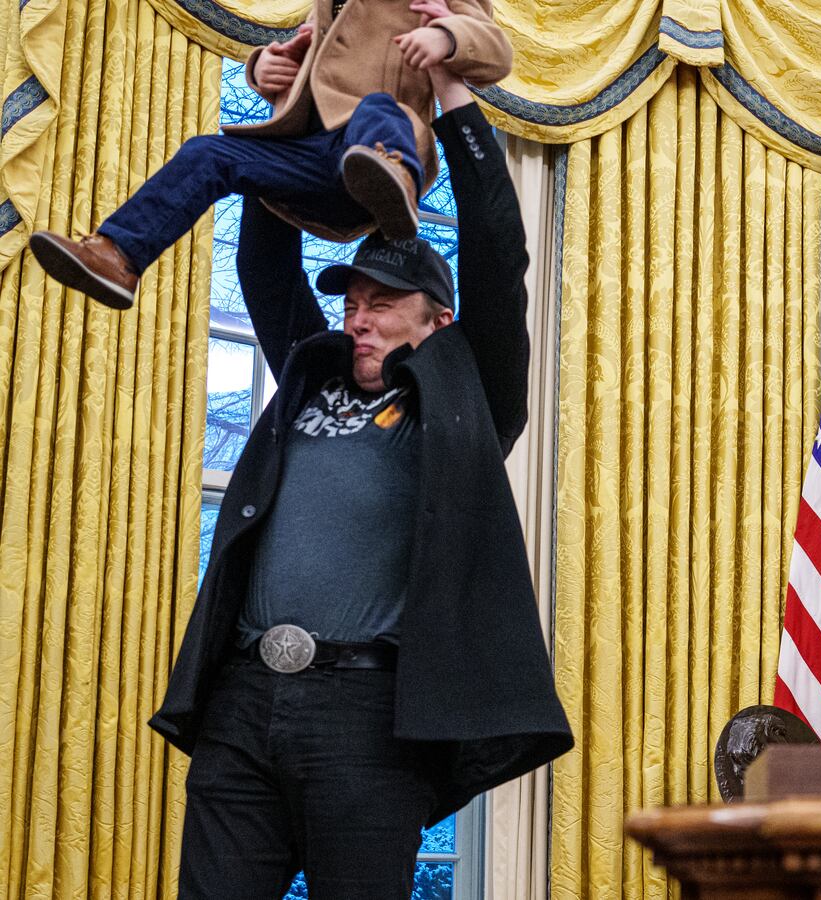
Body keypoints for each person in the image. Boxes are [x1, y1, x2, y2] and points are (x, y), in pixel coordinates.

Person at [148, 57, 571, 897]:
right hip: (243, 699)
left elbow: (497, 253)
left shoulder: (468, 397)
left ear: (437, 319)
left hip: (366, 721)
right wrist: (289, 110)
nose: (358, 317)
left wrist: (453, 98)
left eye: (381, 303)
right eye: (350, 301)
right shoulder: (314, 371)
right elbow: (266, 271)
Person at [28, 0, 510, 311]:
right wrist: (266, 66)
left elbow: (495, 52)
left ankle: (391, 180)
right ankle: (119, 256)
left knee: (376, 107)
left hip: (377, 144)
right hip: (312, 157)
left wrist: (446, 37)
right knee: (208, 153)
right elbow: (314, 65)